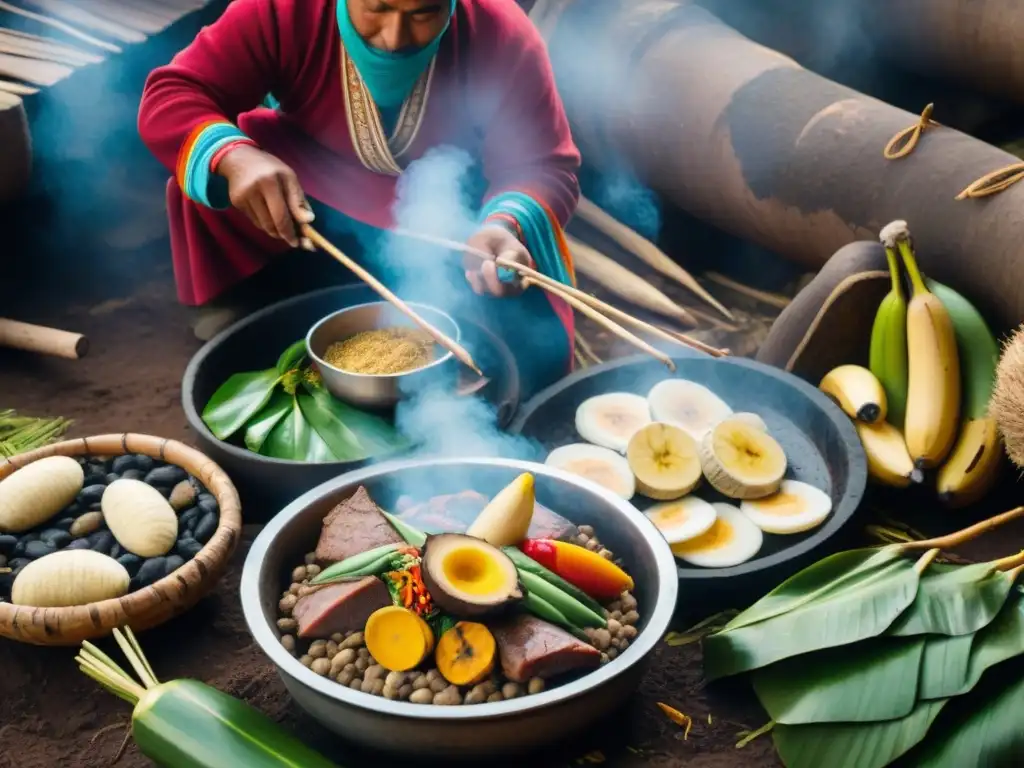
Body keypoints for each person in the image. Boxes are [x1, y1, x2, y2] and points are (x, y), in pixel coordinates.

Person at [138, 0, 580, 397]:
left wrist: (501, 224)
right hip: (309, 187)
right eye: (377, 7)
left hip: (447, 220)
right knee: (210, 163)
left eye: (423, 13)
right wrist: (235, 159)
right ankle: (242, 311)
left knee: (523, 343)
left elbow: (541, 165)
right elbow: (173, 93)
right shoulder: (283, 9)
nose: (395, 38)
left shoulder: (500, 32)